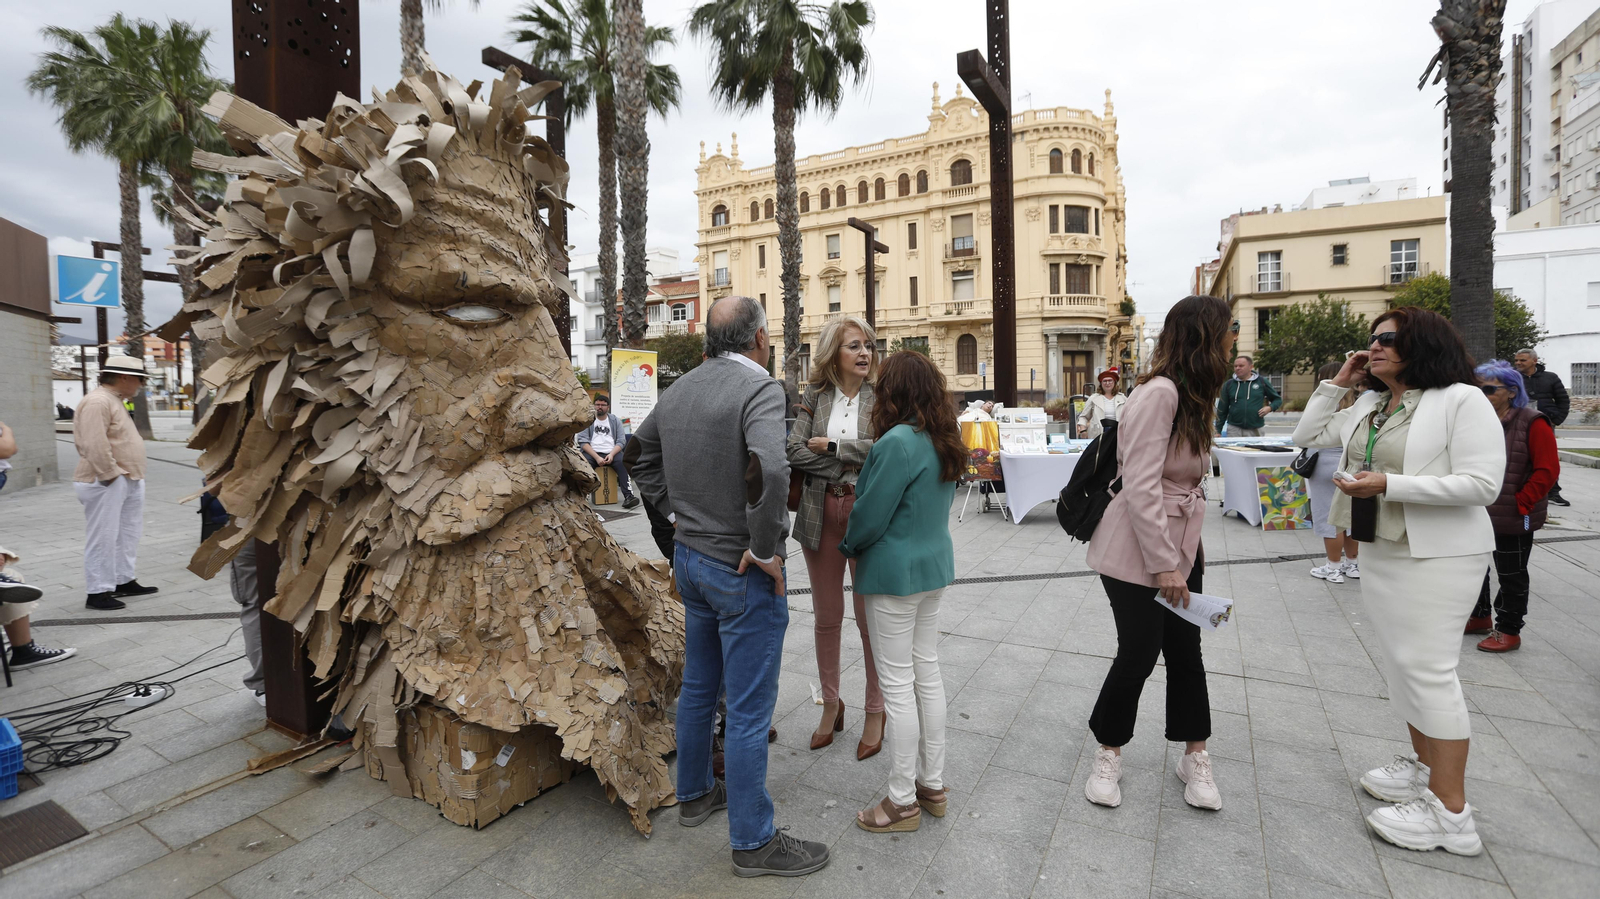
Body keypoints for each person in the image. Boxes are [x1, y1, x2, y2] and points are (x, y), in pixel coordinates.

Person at [630, 295, 829, 878]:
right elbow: (773, 467)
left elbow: (637, 457)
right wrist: (765, 548)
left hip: (691, 561)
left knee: (698, 687)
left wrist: (671, 517)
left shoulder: (680, 389)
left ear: (708, 342)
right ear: (760, 339)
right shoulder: (760, 388)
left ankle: (694, 794)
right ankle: (753, 841)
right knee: (746, 709)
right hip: (741, 569)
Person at [1293, 308, 1503, 856]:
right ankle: (1422, 770)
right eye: (1371, 340)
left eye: (1388, 339)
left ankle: (1451, 816)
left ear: (1422, 344)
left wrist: (1390, 483)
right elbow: (1307, 433)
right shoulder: (1369, 403)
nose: (1375, 347)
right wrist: (1338, 381)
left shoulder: (1461, 399)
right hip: (1382, 546)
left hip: (1438, 552)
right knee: (1402, 667)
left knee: (1429, 672)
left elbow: (1483, 484)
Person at [1083, 295, 1234, 812]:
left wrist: (1181, 558)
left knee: (1186, 653)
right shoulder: (1161, 394)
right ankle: (1109, 749)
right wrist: (1165, 564)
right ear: (1204, 337)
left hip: (1183, 542)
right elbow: (1141, 485)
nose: (1235, 338)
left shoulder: (1193, 395)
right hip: (1138, 548)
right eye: (1228, 329)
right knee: (1140, 652)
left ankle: (1195, 753)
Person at [840, 350, 962, 833]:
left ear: (893, 391)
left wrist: (849, 544)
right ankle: (931, 785)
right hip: (932, 568)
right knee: (926, 675)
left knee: (897, 684)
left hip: (892, 572)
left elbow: (870, 515)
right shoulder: (942, 438)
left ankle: (900, 800)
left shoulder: (895, 442)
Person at [787, 316, 884, 759]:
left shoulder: (881, 398)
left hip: (866, 517)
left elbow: (882, 450)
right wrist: (847, 468)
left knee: (870, 622)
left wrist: (831, 449)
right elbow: (792, 449)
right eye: (853, 346)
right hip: (818, 515)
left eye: (867, 345)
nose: (864, 352)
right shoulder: (815, 396)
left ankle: (875, 711)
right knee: (827, 617)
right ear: (833, 353)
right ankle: (831, 704)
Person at [1465, 361, 1558, 654]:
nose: (1482, 393)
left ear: (1511, 391)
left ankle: (1508, 629)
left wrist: (1522, 503)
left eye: (1489, 389)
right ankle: (1479, 616)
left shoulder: (1533, 421)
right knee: (1475, 567)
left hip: (1515, 514)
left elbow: (1547, 471)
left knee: (1512, 573)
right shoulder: (1477, 421)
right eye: (1477, 388)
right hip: (1477, 511)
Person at [73, 354, 160, 611]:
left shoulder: (113, 400)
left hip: (125, 477)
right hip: (107, 479)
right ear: (124, 377)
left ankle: (123, 579)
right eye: (139, 379)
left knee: (127, 532)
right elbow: (93, 442)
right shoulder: (99, 401)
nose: (141, 384)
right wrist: (110, 474)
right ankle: (97, 590)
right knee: (104, 536)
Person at [1304, 361, 1362, 584]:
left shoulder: (1325, 403)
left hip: (1324, 460)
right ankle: (1352, 563)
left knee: (1329, 517)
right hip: (1347, 461)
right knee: (1348, 516)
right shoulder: (1356, 404)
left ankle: (1333, 566)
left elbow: (1308, 431)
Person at [1513, 349, 1570, 506]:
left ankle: (1553, 492)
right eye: (1516, 360)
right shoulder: (1512, 378)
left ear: (1534, 361)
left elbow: (1563, 400)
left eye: (1522, 360)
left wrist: (1556, 420)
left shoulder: (1550, 378)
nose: (1518, 363)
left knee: (1547, 458)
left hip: (1543, 424)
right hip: (1518, 424)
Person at [577, 394, 640, 509]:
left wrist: (611, 454)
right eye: (597, 404)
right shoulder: (588, 420)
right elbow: (582, 441)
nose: (599, 407)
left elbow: (621, 441)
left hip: (612, 452)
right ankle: (582, 498)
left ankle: (629, 496)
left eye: (602, 405)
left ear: (608, 407)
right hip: (592, 453)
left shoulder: (614, 420)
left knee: (622, 462)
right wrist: (596, 457)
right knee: (584, 465)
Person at [1214, 354, 1281, 437]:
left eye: (1241, 366)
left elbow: (1277, 400)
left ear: (1251, 367)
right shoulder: (1229, 385)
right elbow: (1222, 409)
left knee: (1255, 450)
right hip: (1234, 429)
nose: (1237, 368)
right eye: (1235, 366)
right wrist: (1218, 430)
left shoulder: (1262, 382)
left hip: (1256, 428)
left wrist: (1270, 408)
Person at [1078, 369, 1127, 440]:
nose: (1107, 383)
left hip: (1118, 433)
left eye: (1110, 380)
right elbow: (1083, 417)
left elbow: (1130, 417)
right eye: (1105, 381)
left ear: (1114, 382)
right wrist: (1083, 430)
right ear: (1101, 383)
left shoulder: (1123, 398)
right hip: (1098, 434)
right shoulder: (1093, 398)